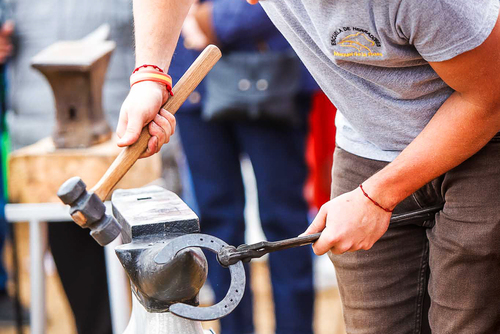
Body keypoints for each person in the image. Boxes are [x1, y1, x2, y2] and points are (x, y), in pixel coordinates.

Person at [117, 0, 500, 333]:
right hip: (368, 140)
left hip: (480, 141)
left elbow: (490, 98)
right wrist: (150, 74)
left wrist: (378, 197)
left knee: (466, 322)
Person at [164, 1, 315, 333]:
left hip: (267, 70)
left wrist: (212, 20)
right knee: (218, 223)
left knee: (284, 222)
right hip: (191, 80)